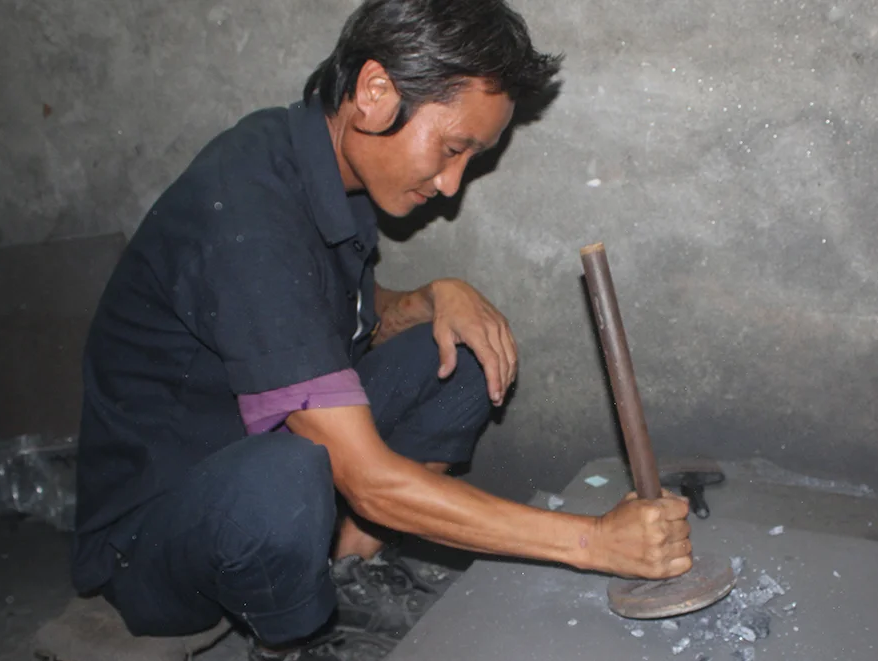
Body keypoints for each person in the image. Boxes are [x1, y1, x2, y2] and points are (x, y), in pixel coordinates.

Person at [71, 1, 694, 659]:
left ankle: (348, 571)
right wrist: (594, 541)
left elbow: (331, 317)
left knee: (465, 349)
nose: (452, 185)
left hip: (255, 457)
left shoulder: (322, 171)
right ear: (374, 91)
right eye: (452, 149)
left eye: (472, 159)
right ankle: (293, 639)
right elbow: (366, 478)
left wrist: (430, 299)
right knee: (289, 477)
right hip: (155, 536)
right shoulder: (247, 213)